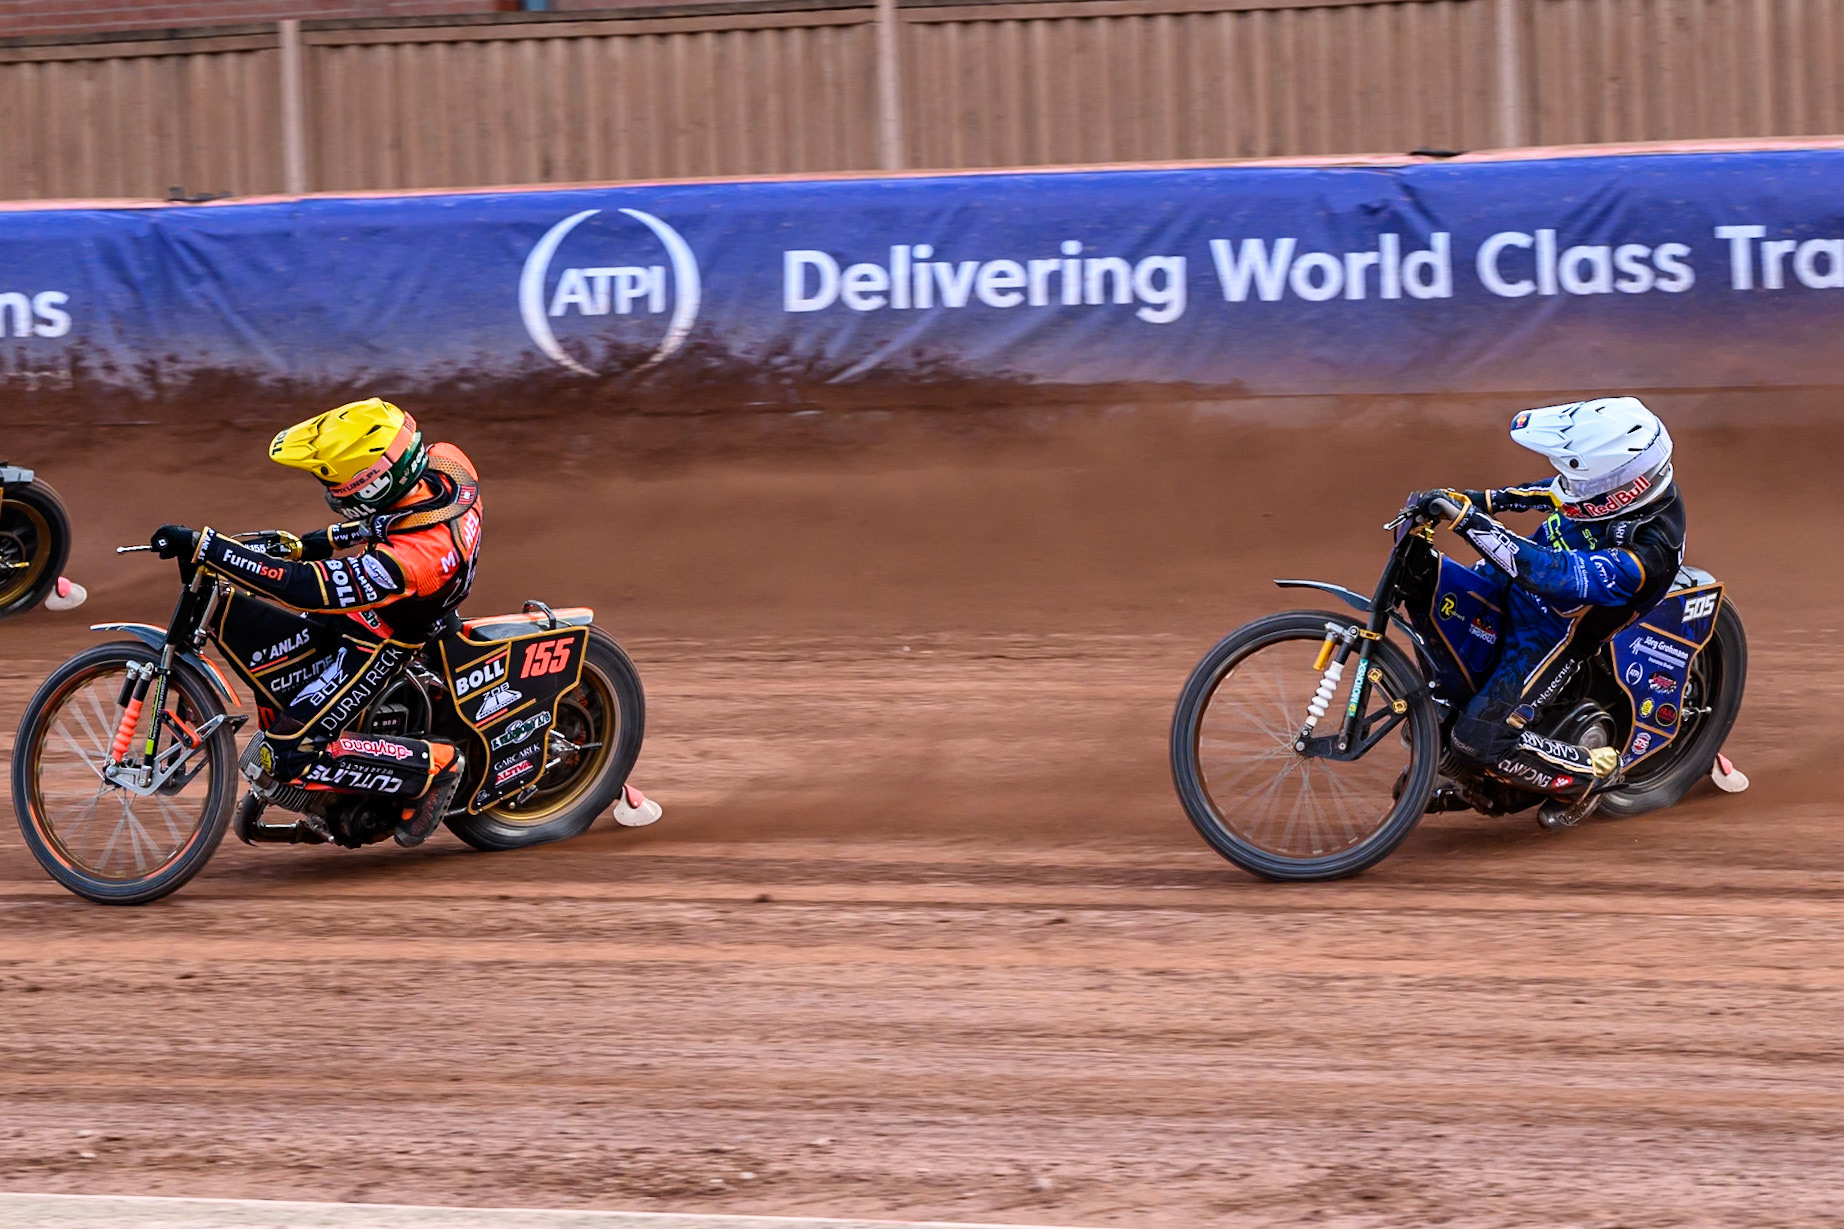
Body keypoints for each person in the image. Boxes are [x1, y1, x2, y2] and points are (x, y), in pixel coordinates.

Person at [150, 398, 484, 847]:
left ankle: (434, 765)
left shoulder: (415, 559)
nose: (329, 488)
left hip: (387, 635)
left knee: (289, 752)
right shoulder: (445, 465)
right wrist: (307, 545)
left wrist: (211, 548)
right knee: (280, 670)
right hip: (390, 603)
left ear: (373, 483)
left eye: (338, 481)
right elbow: (387, 522)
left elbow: (307, 588)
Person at [1407, 396, 1685, 824]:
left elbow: (1548, 574)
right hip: (1513, 586)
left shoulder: (1647, 555)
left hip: (1553, 632)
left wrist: (1470, 521)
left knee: (1475, 742)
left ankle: (1586, 776)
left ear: (1620, 488)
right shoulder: (1608, 488)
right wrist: (1472, 499)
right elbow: (1545, 493)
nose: (1568, 489)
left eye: (1581, 483)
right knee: (1439, 642)